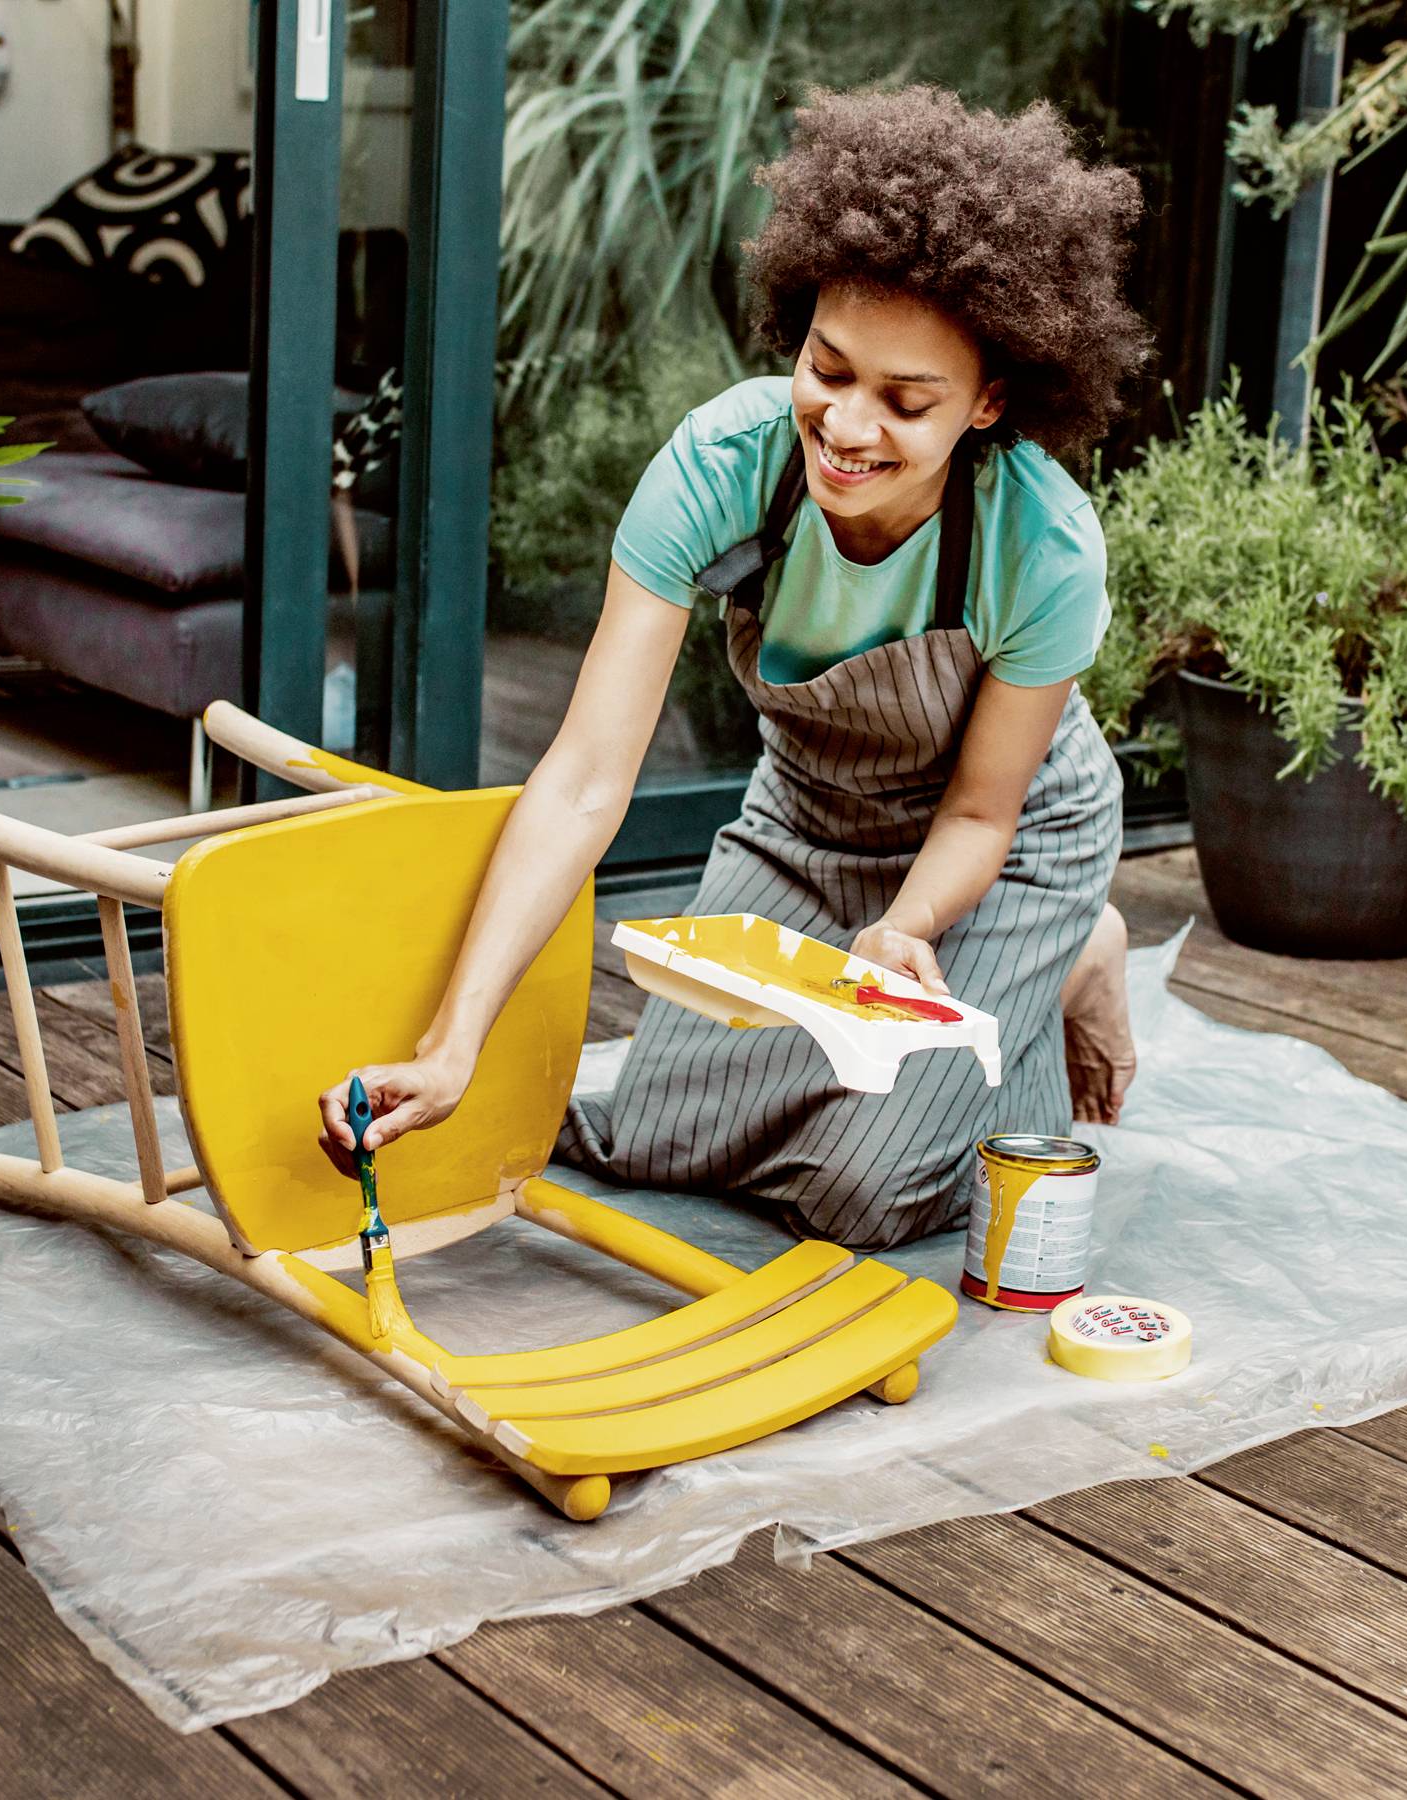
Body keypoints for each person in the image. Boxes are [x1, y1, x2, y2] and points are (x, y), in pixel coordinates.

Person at [316, 86, 1150, 1250]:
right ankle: (1001, 982)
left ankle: (1068, 949)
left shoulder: (1040, 545)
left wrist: (906, 930)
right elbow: (583, 781)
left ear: (989, 402)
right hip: (807, 819)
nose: (848, 428)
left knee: (871, 1191)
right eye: (829, 368)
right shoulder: (720, 467)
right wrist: (453, 1043)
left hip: (997, 851)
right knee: (658, 1135)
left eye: (905, 402)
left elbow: (978, 807)